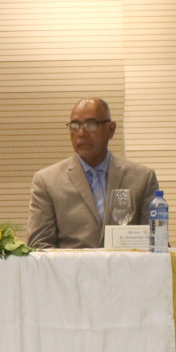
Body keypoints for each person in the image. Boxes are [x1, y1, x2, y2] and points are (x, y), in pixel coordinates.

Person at [26, 98, 159, 250]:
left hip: (126, 270)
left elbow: (155, 243)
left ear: (111, 129)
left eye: (90, 125)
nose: (81, 133)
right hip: (71, 272)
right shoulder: (47, 181)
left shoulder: (142, 178)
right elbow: (39, 246)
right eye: (74, 125)